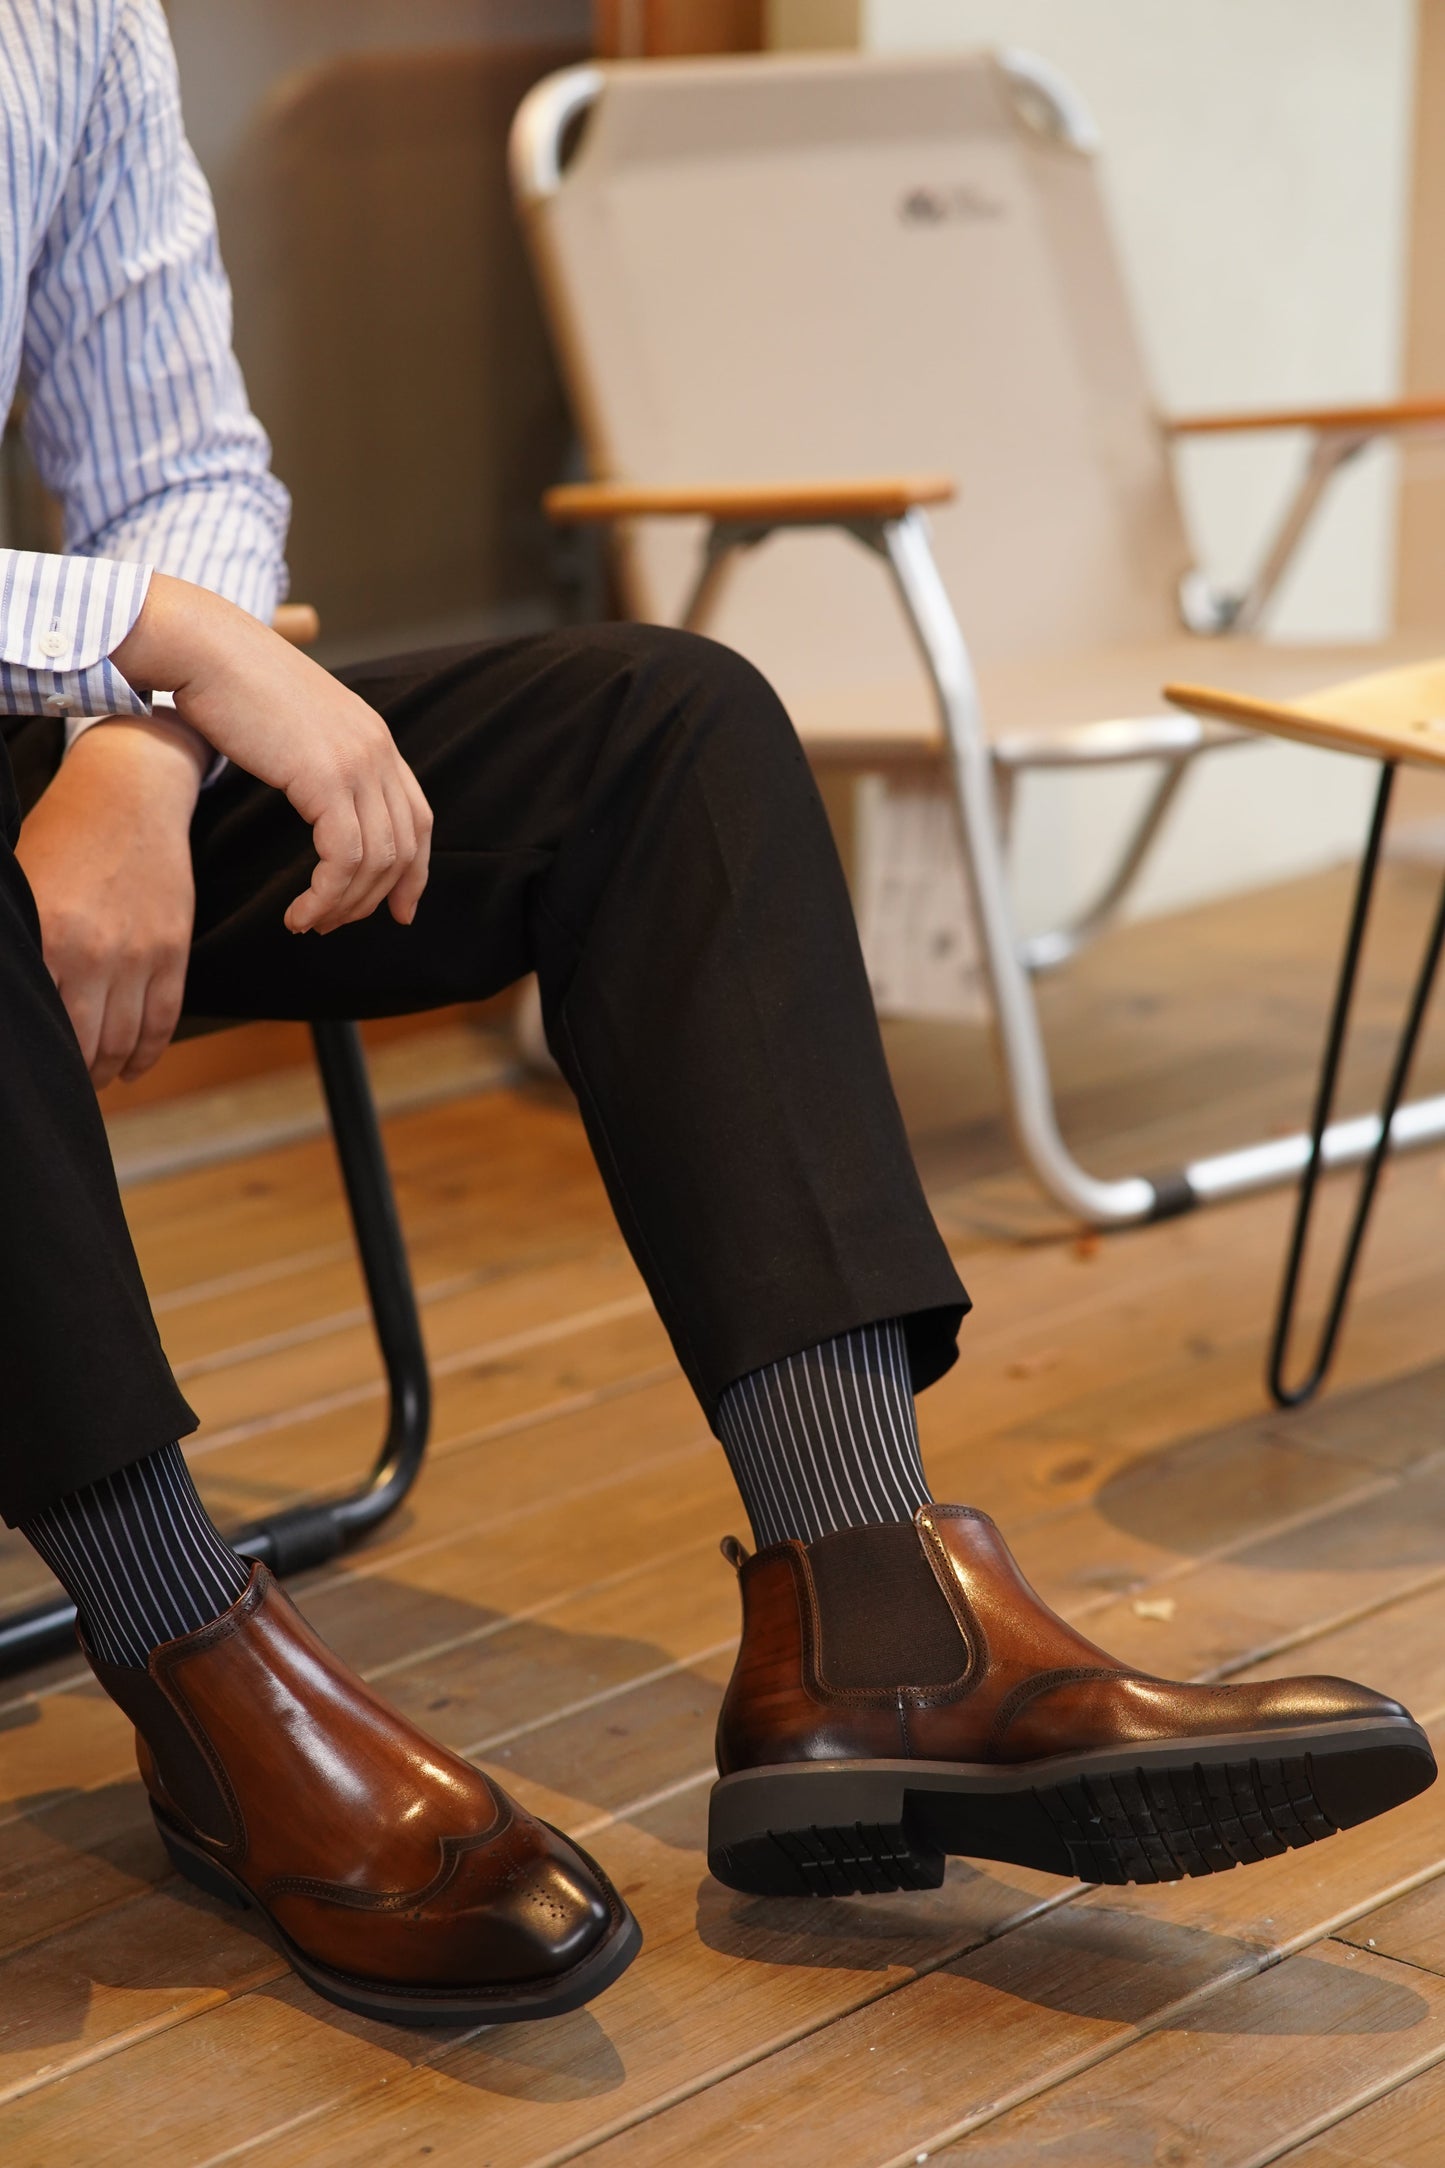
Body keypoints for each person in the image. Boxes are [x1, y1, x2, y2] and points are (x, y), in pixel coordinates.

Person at [0, 0, 1432, 2028]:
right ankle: (192, 1670)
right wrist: (143, 640)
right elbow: (159, 581)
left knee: (661, 730)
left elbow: (183, 469)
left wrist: (139, 760)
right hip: (57, 671)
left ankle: (870, 1612)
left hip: (53, 718)